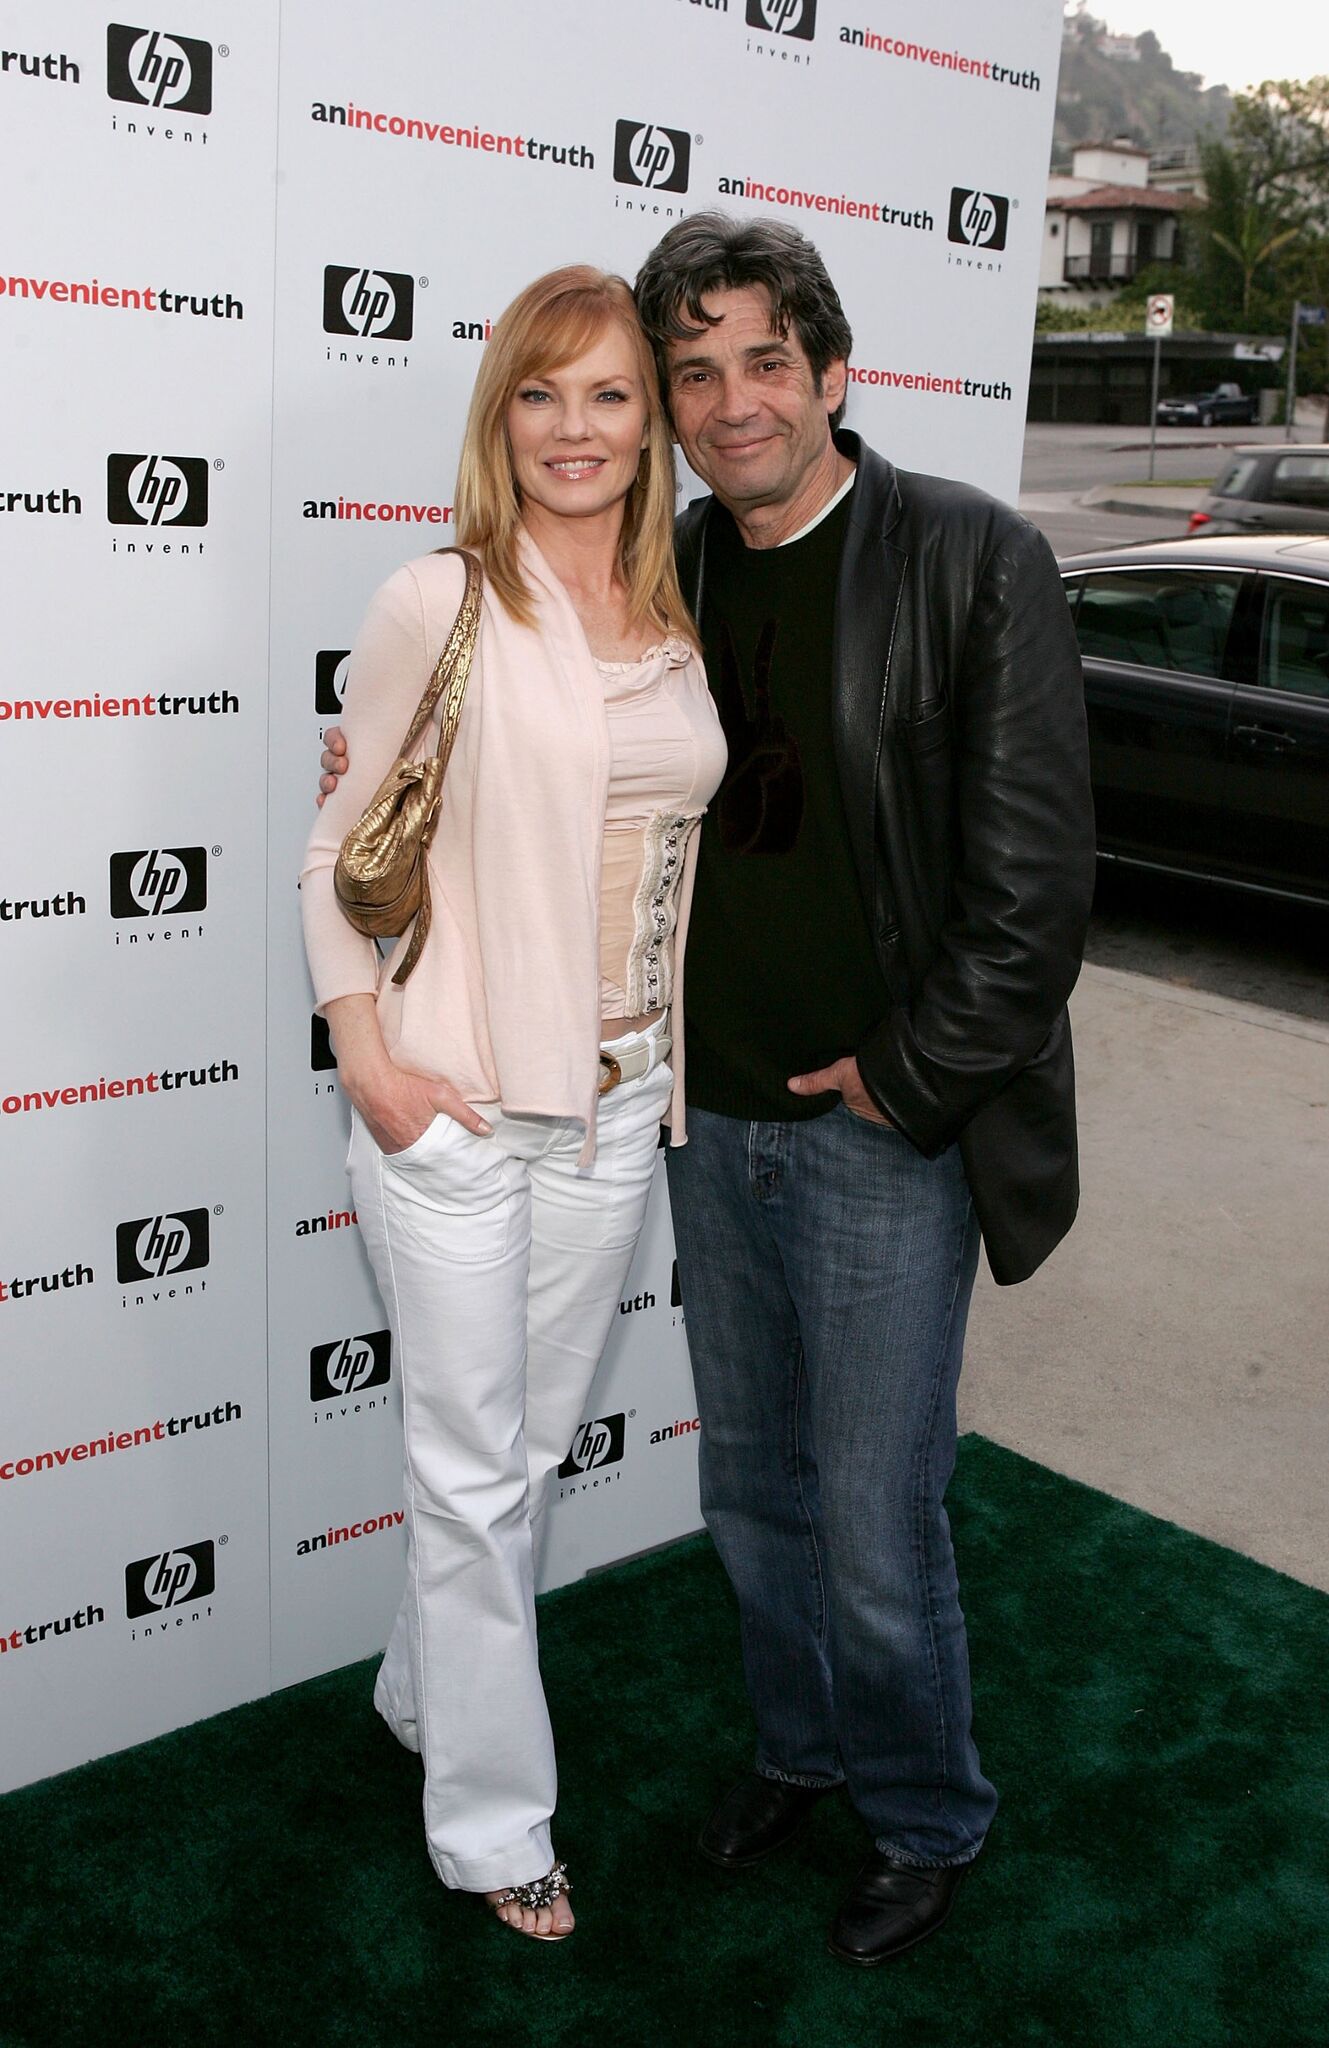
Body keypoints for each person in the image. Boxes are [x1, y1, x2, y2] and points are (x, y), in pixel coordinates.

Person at [321, 215, 1095, 1966]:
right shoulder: (637, 572)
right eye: (692, 370)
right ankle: (794, 1753)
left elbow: (1035, 892)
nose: (725, 401)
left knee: (876, 1512)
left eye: (762, 362)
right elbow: (432, 802)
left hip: (872, 1125)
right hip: (685, 1113)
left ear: (832, 375)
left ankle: (919, 1817)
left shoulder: (967, 558)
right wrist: (367, 942)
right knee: (745, 1487)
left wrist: (906, 1080)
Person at [302, 265, 726, 1942]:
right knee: (474, 1478)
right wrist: (370, 1058)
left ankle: (423, 1695)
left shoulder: (674, 610)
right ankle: (493, 1829)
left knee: (523, 1459)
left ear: (652, 423)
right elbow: (339, 848)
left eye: (609, 394)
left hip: (621, 1100)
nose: (575, 429)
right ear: (500, 419)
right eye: (539, 395)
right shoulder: (441, 601)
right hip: (462, 1104)